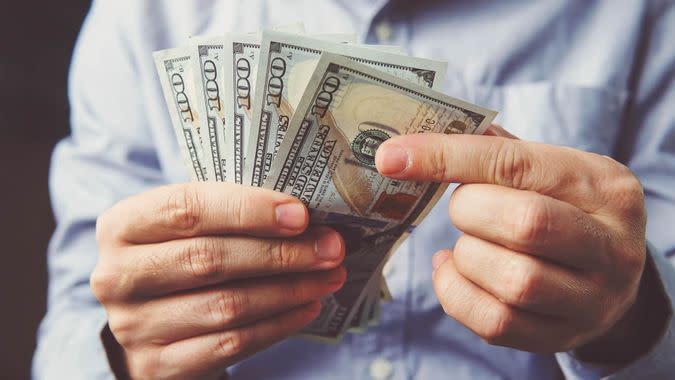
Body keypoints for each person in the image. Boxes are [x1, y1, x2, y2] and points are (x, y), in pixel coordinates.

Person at [33, 1, 675, 379]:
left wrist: (630, 320)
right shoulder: (140, 14)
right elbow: (73, 322)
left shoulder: (641, 13)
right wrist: (127, 356)